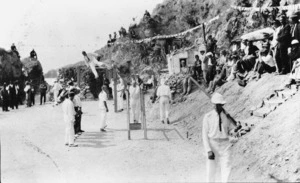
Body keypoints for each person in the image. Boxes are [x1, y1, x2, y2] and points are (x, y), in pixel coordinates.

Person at [202, 93, 236, 182]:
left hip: (225, 145)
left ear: (223, 105)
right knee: (211, 170)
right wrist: (208, 150)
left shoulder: (227, 117)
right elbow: (204, 135)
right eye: (216, 105)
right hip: (213, 144)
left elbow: (231, 130)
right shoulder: (208, 117)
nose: (218, 107)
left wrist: (232, 136)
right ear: (213, 104)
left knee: (227, 168)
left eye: (220, 105)